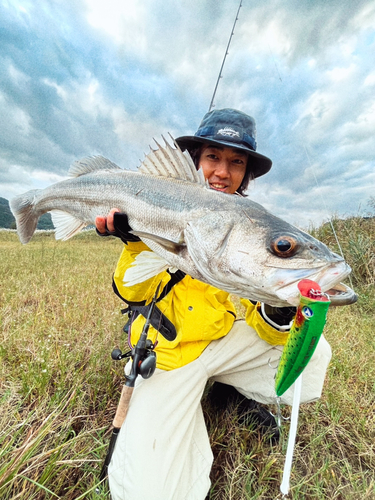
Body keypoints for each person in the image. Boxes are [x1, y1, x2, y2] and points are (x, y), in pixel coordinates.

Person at [96, 108, 332, 500]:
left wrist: (276, 306)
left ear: (246, 173)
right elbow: (132, 291)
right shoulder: (157, 202)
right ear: (195, 160)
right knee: (149, 492)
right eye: (213, 157)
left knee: (314, 354)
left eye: (236, 162)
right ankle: (200, 394)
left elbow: (261, 319)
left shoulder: (247, 222)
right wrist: (135, 239)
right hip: (169, 354)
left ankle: (224, 386)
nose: (223, 171)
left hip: (220, 341)